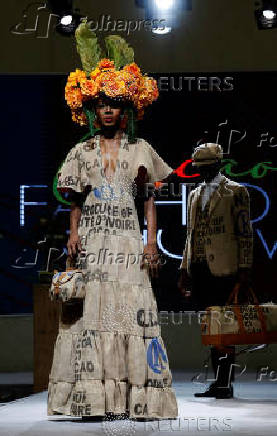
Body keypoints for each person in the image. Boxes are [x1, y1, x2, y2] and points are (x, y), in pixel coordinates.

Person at [47, 21, 178, 419]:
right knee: (91, 312)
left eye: (114, 104)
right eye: (101, 103)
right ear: (91, 108)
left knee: (131, 310)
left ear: (125, 109)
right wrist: (72, 233)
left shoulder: (141, 149)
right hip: (92, 239)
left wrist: (150, 242)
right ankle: (92, 399)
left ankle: (133, 400)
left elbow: (150, 200)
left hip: (125, 239)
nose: (107, 109)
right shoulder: (82, 150)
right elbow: (74, 199)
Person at [178, 143, 253, 399]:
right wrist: (184, 268)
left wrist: (244, 270)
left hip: (225, 267)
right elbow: (191, 234)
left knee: (226, 328)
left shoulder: (236, 191)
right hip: (200, 268)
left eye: (207, 167)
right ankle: (220, 381)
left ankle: (225, 383)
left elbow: (245, 234)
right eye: (199, 168)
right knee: (212, 327)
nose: (202, 172)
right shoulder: (194, 194)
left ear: (218, 164)